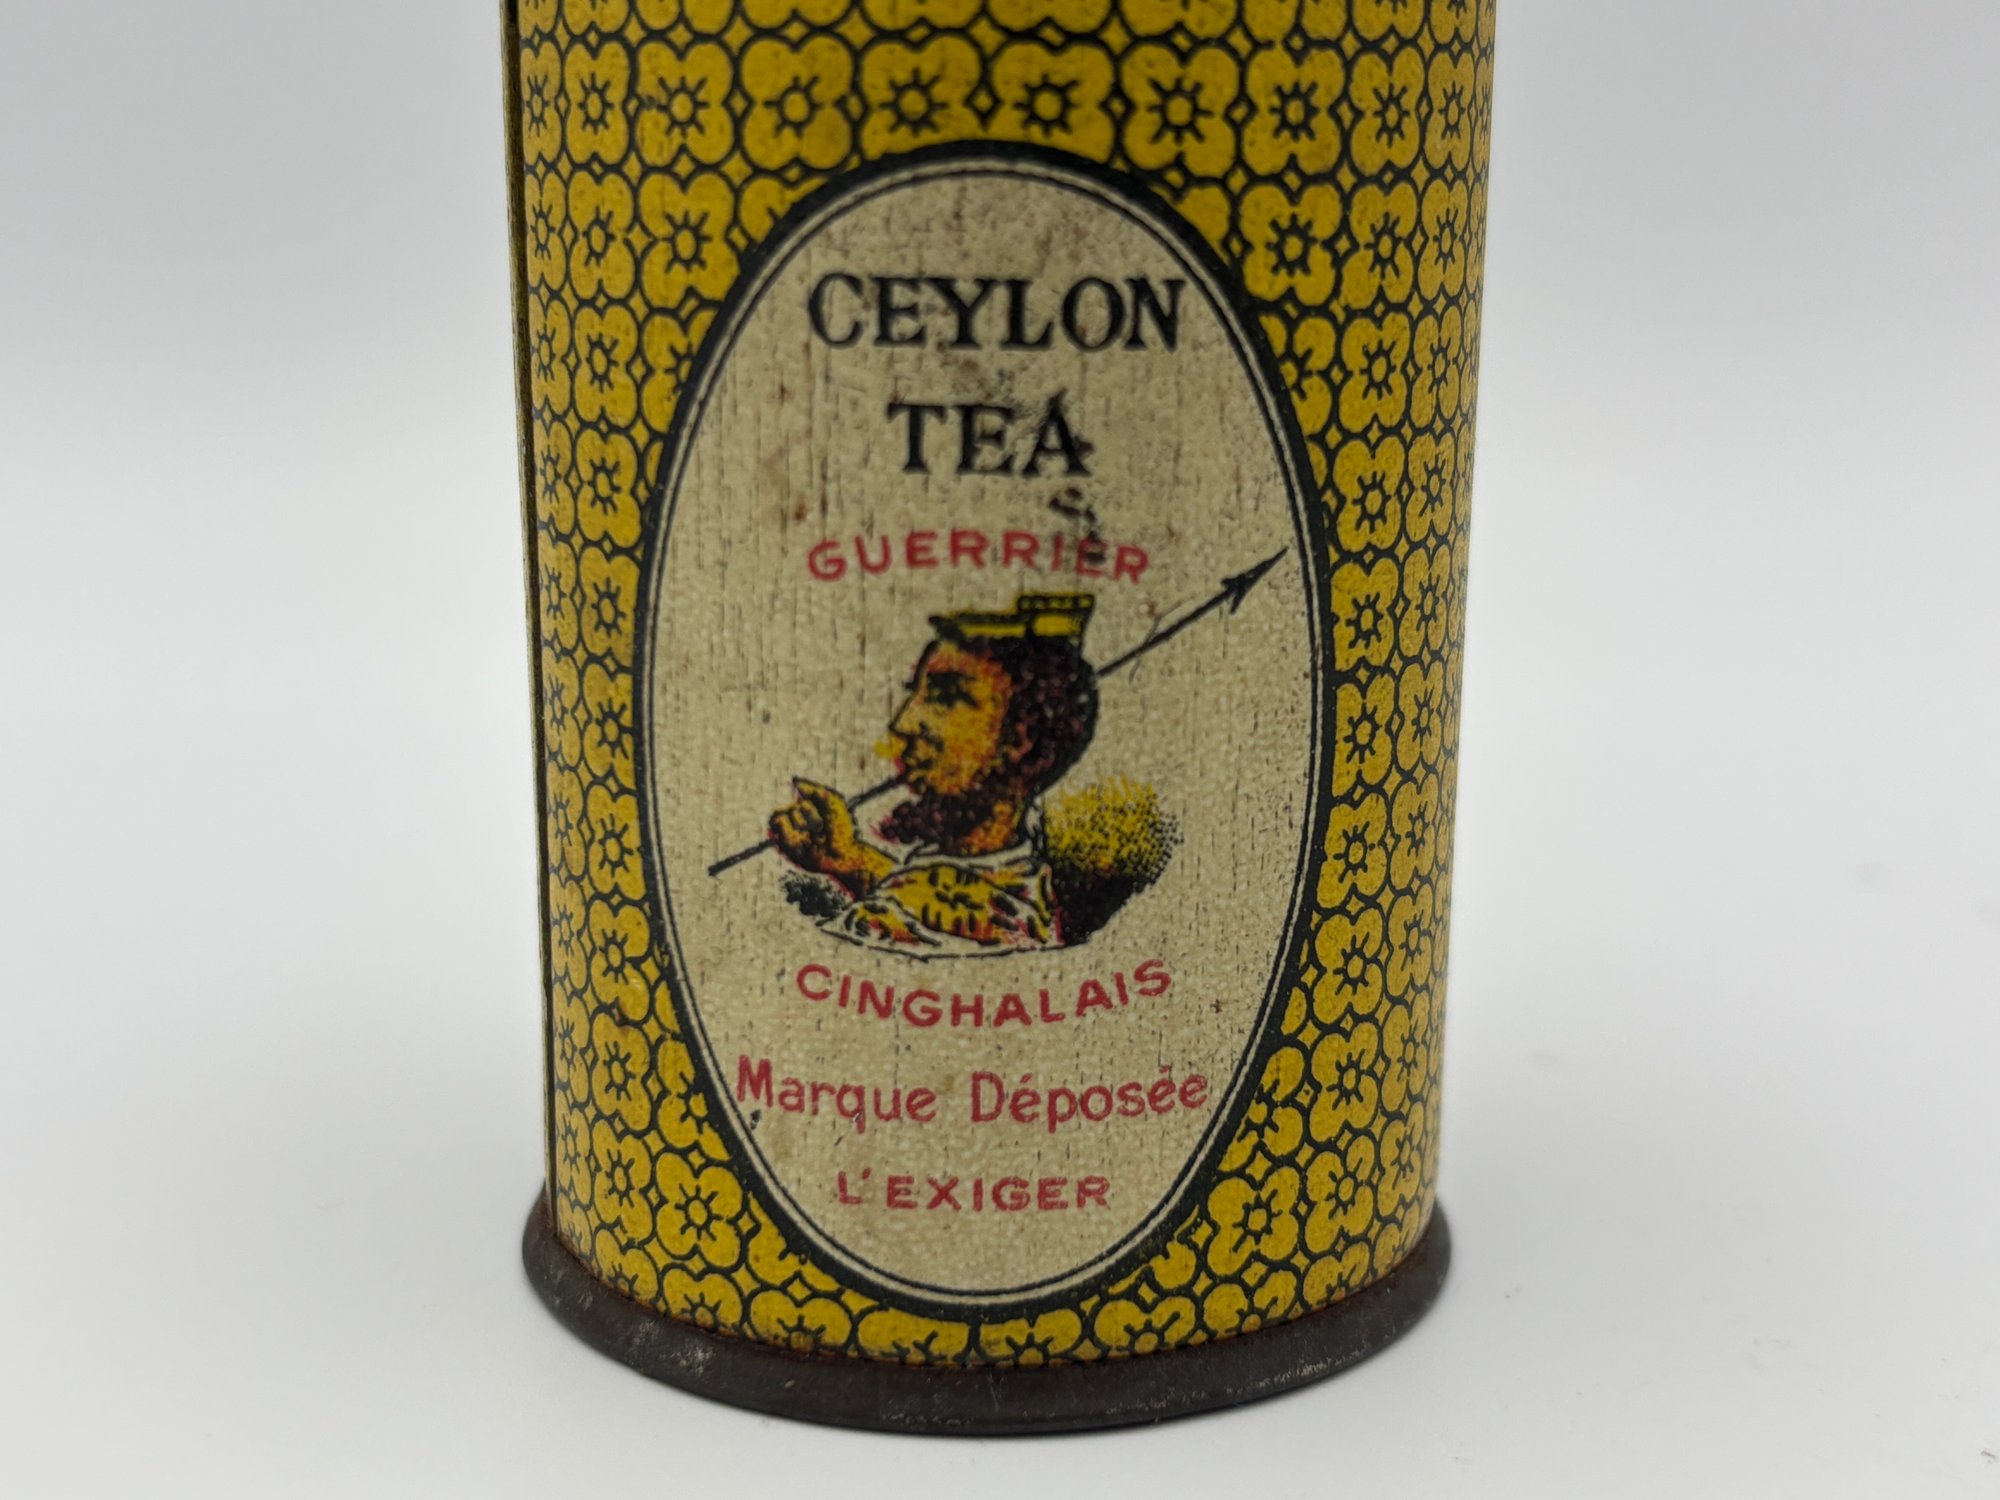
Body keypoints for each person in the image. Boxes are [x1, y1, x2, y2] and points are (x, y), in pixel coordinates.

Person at [770, 593, 1099, 955]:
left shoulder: (885, 924)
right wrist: (851, 858)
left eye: (946, 698)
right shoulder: (1019, 876)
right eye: (917, 693)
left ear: (1021, 739)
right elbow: (948, 895)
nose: (904, 723)